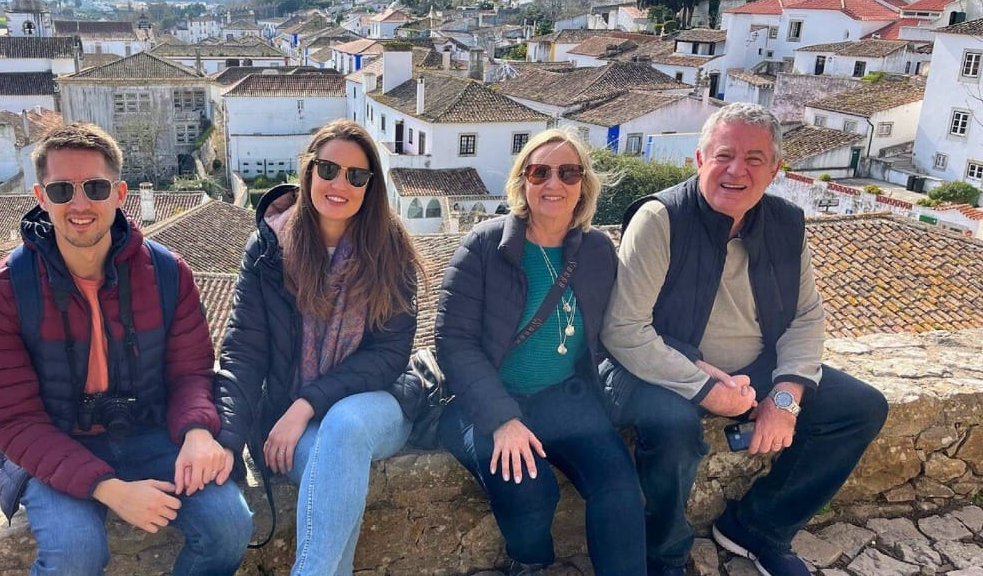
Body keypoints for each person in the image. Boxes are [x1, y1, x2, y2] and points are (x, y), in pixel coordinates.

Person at [601, 102, 889, 576]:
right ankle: (665, 556)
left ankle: (759, 528)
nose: (736, 170)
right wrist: (707, 388)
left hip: (755, 369)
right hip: (662, 366)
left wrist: (786, 392)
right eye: (723, 155)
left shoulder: (786, 224)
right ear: (699, 160)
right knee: (673, 433)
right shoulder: (660, 219)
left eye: (754, 159)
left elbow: (805, 317)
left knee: (860, 408)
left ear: (774, 169)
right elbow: (624, 330)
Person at [0, 122, 252, 576]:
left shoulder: (165, 273)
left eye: (95, 187)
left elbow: (191, 373)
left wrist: (198, 432)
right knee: (75, 552)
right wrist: (110, 488)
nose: (79, 204)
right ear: (41, 197)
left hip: (150, 434)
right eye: (62, 190)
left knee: (230, 525)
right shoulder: (4, 292)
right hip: (57, 442)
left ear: (119, 193)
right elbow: (13, 420)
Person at [214, 119, 423, 575]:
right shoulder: (269, 249)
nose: (339, 184)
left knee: (345, 426)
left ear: (371, 187)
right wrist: (228, 441)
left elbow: (389, 356)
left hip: (376, 406)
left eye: (356, 175)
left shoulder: (392, 251)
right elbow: (243, 353)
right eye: (328, 169)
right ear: (308, 171)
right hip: (292, 420)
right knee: (331, 486)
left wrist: (307, 403)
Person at [435, 129, 647, 576]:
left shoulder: (596, 251)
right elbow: (453, 342)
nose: (554, 183)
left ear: (583, 187)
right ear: (523, 182)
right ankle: (529, 564)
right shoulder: (484, 245)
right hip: (486, 403)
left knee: (619, 486)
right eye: (540, 172)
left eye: (568, 172)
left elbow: (621, 329)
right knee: (530, 490)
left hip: (565, 399)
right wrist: (502, 418)